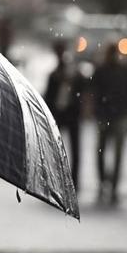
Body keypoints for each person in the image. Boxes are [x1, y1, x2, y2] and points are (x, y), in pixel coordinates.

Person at [91, 45, 127, 205]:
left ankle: (110, 185)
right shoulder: (104, 71)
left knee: (110, 152)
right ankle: (106, 183)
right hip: (108, 115)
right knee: (105, 152)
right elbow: (95, 93)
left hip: (116, 115)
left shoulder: (122, 71)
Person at [43, 40, 86, 192]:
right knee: (60, 149)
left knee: (72, 149)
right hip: (60, 114)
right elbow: (49, 97)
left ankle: (73, 181)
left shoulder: (72, 71)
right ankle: (59, 180)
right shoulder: (55, 74)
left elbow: (82, 86)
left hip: (70, 113)